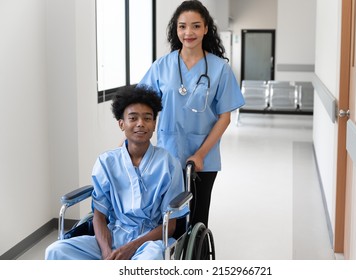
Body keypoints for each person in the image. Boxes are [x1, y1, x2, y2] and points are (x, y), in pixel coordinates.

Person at [45, 85, 187, 260]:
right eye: (133, 118)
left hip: (150, 241)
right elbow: (99, 215)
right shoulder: (106, 162)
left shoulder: (168, 164)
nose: (140, 123)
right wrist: (107, 253)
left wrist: (131, 247)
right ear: (122, 124)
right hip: (113, 235)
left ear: (154, 124)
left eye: (147, 118)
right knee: (55, 251)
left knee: (149, 262)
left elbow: (170, 225)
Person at [138, 0, 245, 228]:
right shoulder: (162, 66)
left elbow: (224, 117)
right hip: (166, 156)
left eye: (196, 26)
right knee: (166, 221)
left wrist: (200, 154)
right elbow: (144, 108)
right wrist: (131, 142)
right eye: (182, 26)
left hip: (202, 161)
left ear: (206, 29)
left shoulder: (219, 68)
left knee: (196, 219)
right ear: (176, 30)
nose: (189, 32)